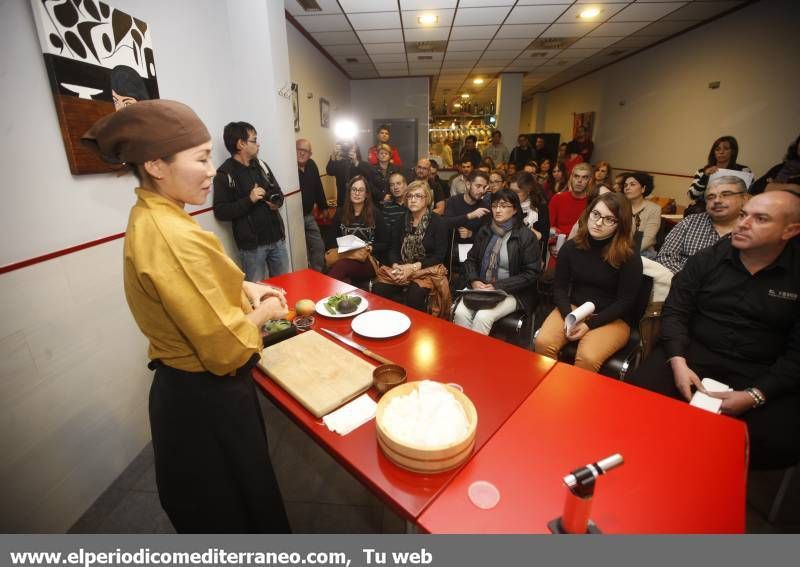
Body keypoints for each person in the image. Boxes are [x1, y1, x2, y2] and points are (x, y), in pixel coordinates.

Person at [81, 100, 290, 533]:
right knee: (237, 512)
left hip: (188, 393)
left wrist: (247, 286)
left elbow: (208, 279)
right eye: (201, 158)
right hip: (206, 399)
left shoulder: (158, 214)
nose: (213, 170)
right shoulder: (169, 234)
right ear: (156, 165)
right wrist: (267, 310)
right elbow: (222, 345)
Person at [627, 190, 800, 470]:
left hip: (762, 367)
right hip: (693, 354)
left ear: (790, 230)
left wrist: (755, 395)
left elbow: (797, 355)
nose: (743, 223)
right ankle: (650, 468)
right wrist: (678, 362)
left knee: (778, 441)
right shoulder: (706, 259)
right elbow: (676, 311)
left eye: (761, 219)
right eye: (744, 215)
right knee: (637, 400)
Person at [535, 192, 643, 371]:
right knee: (543, 343)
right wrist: (568, 316)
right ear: (588, 214)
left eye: (609, 219)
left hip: (612, 317)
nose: (599, 222)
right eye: (596, 214)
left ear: (620, 224)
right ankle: (547, 391)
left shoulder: (628, 256)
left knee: (588, 358)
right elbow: (559, 287)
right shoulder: (571, 247)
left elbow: (625, 302)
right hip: (573, 309)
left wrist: (589, 325)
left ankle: (575, 397)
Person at [455, 188, 542, 335]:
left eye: (503, 205)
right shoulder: (485, 231)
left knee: (483, 316)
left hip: (512, 292)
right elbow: (470, 260)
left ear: (514, 210)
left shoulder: (525, 236)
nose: (498, 210)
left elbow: (531, 273)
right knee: (459, 313)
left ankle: (476, 356)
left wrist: (497, 286)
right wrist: (474, 280)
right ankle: (464, 353)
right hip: (481, 288)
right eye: (494, 205)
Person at [213, 121, 288, 282]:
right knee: (258, 296)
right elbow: (221, 211)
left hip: (277, 241)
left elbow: (278, 193)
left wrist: (277, 202)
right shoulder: (225, 173)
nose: (258, 144)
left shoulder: (262, 165)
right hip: (252, 249)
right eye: (254, 140)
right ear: (241, 144)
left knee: (286, 285)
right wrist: (249, 199)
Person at [372, 181, 450, 315]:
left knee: (414, 295)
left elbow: (439, 256)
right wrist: (397, 266)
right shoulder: (401, 220)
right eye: (409, 196)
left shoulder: (439, 223)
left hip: (426, 270)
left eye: (418, 196)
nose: (413, 200)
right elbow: (393, 249)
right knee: (379, 288)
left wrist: (412, 268)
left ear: (427, 199)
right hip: (402, 269)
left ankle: (417, 331)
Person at [656, 175, 748, 273]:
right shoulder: (690, 222)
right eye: (711, 197)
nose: (717, 201)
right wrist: (691, 281)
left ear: (744, 198)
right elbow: (665, 257)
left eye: (726, 194)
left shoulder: (753, 229)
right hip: (681, 283)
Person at [327, 176, 390, 285]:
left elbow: (385, 242)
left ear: (366, 194)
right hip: (345, 255)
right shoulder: (340, 213)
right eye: (354, 189)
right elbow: (330, 241)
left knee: (342, 266)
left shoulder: (375, 214)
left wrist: (370, 247)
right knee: (339, 269)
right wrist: (344, 247)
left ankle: (323, 294)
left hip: (367, 259)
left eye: (361, 190)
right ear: (349, 192)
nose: (357, 193)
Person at [687, 135, 751, 204]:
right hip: (706, 209)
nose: (721, 152)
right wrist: (705, 176)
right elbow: (691, 195)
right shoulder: (702, 172)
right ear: (714, 152)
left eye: (726, 149)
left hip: (734, 209)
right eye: (717, 149)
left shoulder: (744, 170)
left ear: (733, 152)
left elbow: (749, 195)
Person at [296, 138, 327, 272]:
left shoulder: (312, 165)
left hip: (308, 216)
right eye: (299, 149)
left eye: (306, 151)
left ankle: (317, 273)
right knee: (300, 251)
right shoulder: (289, 168)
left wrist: (323, 207)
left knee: (318, 246)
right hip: (293, 220)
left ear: (310, 154)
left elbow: (318, 187)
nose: (302, 153)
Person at [444, 170, 491, 248]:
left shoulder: (484, 206)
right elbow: (445, 223)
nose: (482, 191)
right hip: (452, 248)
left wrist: (471, 234)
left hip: (475, 249)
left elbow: (487, 235)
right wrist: (469, 216)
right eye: (478, 186)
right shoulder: (453, 201)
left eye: (484, 187)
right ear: (468, 184)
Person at [622, 171, 662, 257]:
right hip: (619, 250)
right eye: (625, 185)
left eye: (632, 184)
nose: (627, 188)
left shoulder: (654, 209)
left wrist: (627, 253)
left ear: (643, 188)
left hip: (643, 253)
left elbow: (649, 239)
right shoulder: (620, 206)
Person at [548, 162, 593, 236]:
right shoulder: (557, 198)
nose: (579, 181)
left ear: (589, 181)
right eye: (576, 176)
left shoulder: (592, 203)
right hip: (557, 241)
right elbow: (549, 226)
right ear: (571, 178)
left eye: (584, 177)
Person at [510, 172, 550, 242]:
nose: (512, 195)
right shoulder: (507, 204)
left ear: (528, 190)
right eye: (511, 191)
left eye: (516, 192)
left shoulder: (540, 208)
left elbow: (544, 237)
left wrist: (525, 225)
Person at [326, 140, 363, 207]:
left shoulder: (358, 163)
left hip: (357, 198)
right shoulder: (339, 161)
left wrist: (356, 162)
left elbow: (363, 175)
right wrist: (333, 156)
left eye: (350, 148)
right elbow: (330, 172)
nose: (347, 150)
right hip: (342, 199)